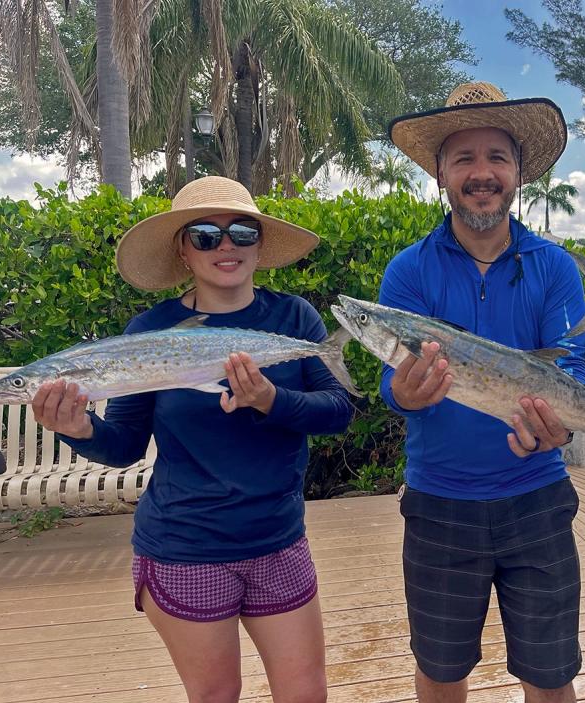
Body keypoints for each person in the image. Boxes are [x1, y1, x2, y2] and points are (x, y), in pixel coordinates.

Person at [32, 176, 353, 703]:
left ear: (259, 245)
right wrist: (80, 429)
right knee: (215, 696)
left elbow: (338, 412)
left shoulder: (295, 318)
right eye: (205, 235)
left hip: (278, 539)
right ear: (183, 250)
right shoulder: (150, 331)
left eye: (242, 233)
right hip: (185, 546)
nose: (225, 245)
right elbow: (125, 446)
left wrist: (270, 400)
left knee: (306, 695)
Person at [381, 81, 585, 702]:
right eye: (464, 157)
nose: (482, 173)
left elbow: (569, 373)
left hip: (538, 500)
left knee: (551, 677)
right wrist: (406, 396)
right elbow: (395, 385)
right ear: (441, 171)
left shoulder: (555, 267)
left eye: (497, 157)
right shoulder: (407, 271)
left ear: (518, 171)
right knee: (441, 673)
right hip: (439, 505)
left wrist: (563, 422)